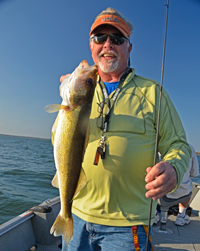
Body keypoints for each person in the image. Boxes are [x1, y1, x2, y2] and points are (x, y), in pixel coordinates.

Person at [54, 7, 191, 251]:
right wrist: (67, 97)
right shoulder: (79, 92)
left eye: (117, 39)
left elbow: (178, 144)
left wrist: (174, 168)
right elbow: (60, 141)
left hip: (129, 225)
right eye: (100, 38)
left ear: (129, 47)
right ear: (91, 46)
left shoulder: (153, 93)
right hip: (78, 215)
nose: (108, 44)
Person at [166, 144, 199, 226]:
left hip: (161, 192)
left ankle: (154, 215)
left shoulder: (160, 144)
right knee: (188, 184)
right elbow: (195, 174)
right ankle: (181, 216)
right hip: (181, 191)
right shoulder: (190, 147)